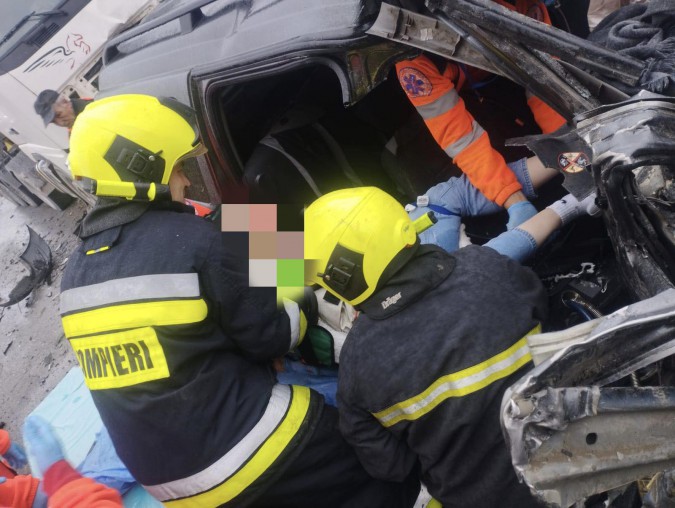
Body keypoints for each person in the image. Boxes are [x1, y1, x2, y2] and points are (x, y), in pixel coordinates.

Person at [59, 94, 420, 507]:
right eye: (179, 169)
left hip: (173, 490)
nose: (187, 182)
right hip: (244, 452)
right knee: (385, 472)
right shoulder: (197, 242)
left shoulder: (75, 278)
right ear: (143, 169)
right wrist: (295, 280)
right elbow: (279, 334)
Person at [304, 186, 599, 507]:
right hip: (588, 463)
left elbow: (392, 467)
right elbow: (541, 308)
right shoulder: (487, 267)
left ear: (339, 277)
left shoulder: (355, 365)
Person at [396, 0, 567, 227]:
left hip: (520, 70)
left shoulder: (519, 4)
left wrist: (567, 143)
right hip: (469, 98)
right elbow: (460, 138)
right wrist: (513, 200)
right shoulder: (413, 54)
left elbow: (547, 82)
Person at [407, 156, 560, 253]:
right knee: (453, 195)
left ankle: (564, 156)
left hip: (419, 236)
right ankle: (563, 155)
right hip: (420, 225)